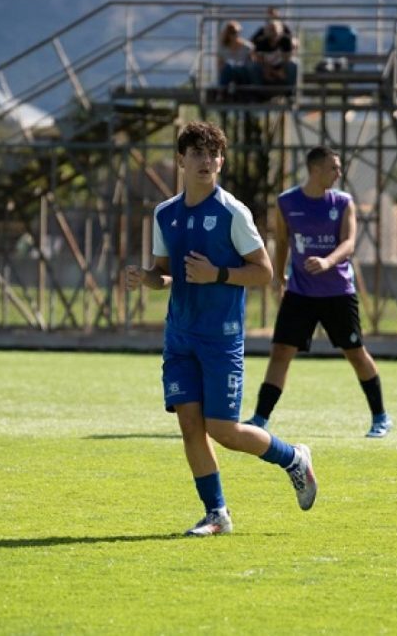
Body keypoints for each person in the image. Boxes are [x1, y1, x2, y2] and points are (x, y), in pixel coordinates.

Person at [124, 121, 316, 537]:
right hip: (179, 336)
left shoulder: (232, 211)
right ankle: (217, 514)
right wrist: (147, 278)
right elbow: (166, 275)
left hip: (222, 338)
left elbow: (263, 272)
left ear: (221, 162)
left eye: (212, 154)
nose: (205, 161)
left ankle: (293, 459)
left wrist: (217, 274)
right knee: (190, 427)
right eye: (196, 153)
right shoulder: (165, 214)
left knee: (223, 430)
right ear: (180, 160)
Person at [244, 146, 393, 438]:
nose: (339, 173)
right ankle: (260, 418)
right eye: (333, 168)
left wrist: (327, 261)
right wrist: (279, 275)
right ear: (315, 170)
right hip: (300, 292)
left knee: (355, 353)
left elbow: (349, 243)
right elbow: (283, 240)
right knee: (281, 352)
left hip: (338, 292)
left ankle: (380, 417)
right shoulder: (287, 202)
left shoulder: (343, 202)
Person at [250, 19, 298, 97]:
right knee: (254, 67)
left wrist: (280, 71)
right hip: (266, 69)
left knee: (294, 64)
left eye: (275, 29)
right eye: (271, 29)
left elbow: (287, 58)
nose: (273, 32)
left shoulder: (286, 41)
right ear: (266, 31)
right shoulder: (261, 42)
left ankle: (290, 93)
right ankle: (258, 94)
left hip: (282, 69)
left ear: (281, 30)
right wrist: (270, 71)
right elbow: (258, 59)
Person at [216, 21, 253, 100]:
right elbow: (220, 65)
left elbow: (252, 64)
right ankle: (222, 93)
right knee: (228, 67)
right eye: (232, 32)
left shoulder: (247, 47)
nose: (235, 35)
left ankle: (224, 92)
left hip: (243, 75)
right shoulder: (223, 48)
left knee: (236, 68)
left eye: (237, 32)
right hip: (229, 76)